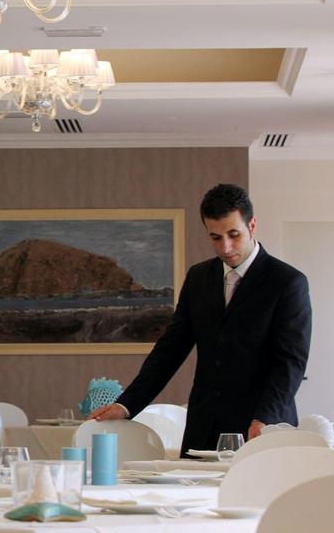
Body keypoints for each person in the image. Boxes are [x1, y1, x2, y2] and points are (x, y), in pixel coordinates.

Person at [89, 183, 312, 455]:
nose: (226, 247)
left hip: (262, 424)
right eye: (216, 237)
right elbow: (170, 348)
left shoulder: (287, 282)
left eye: (234, 234)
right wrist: (127, 404)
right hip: (204, 424)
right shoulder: (198, 278)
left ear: (252, 225)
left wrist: (265, 417)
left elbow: (290, 361)